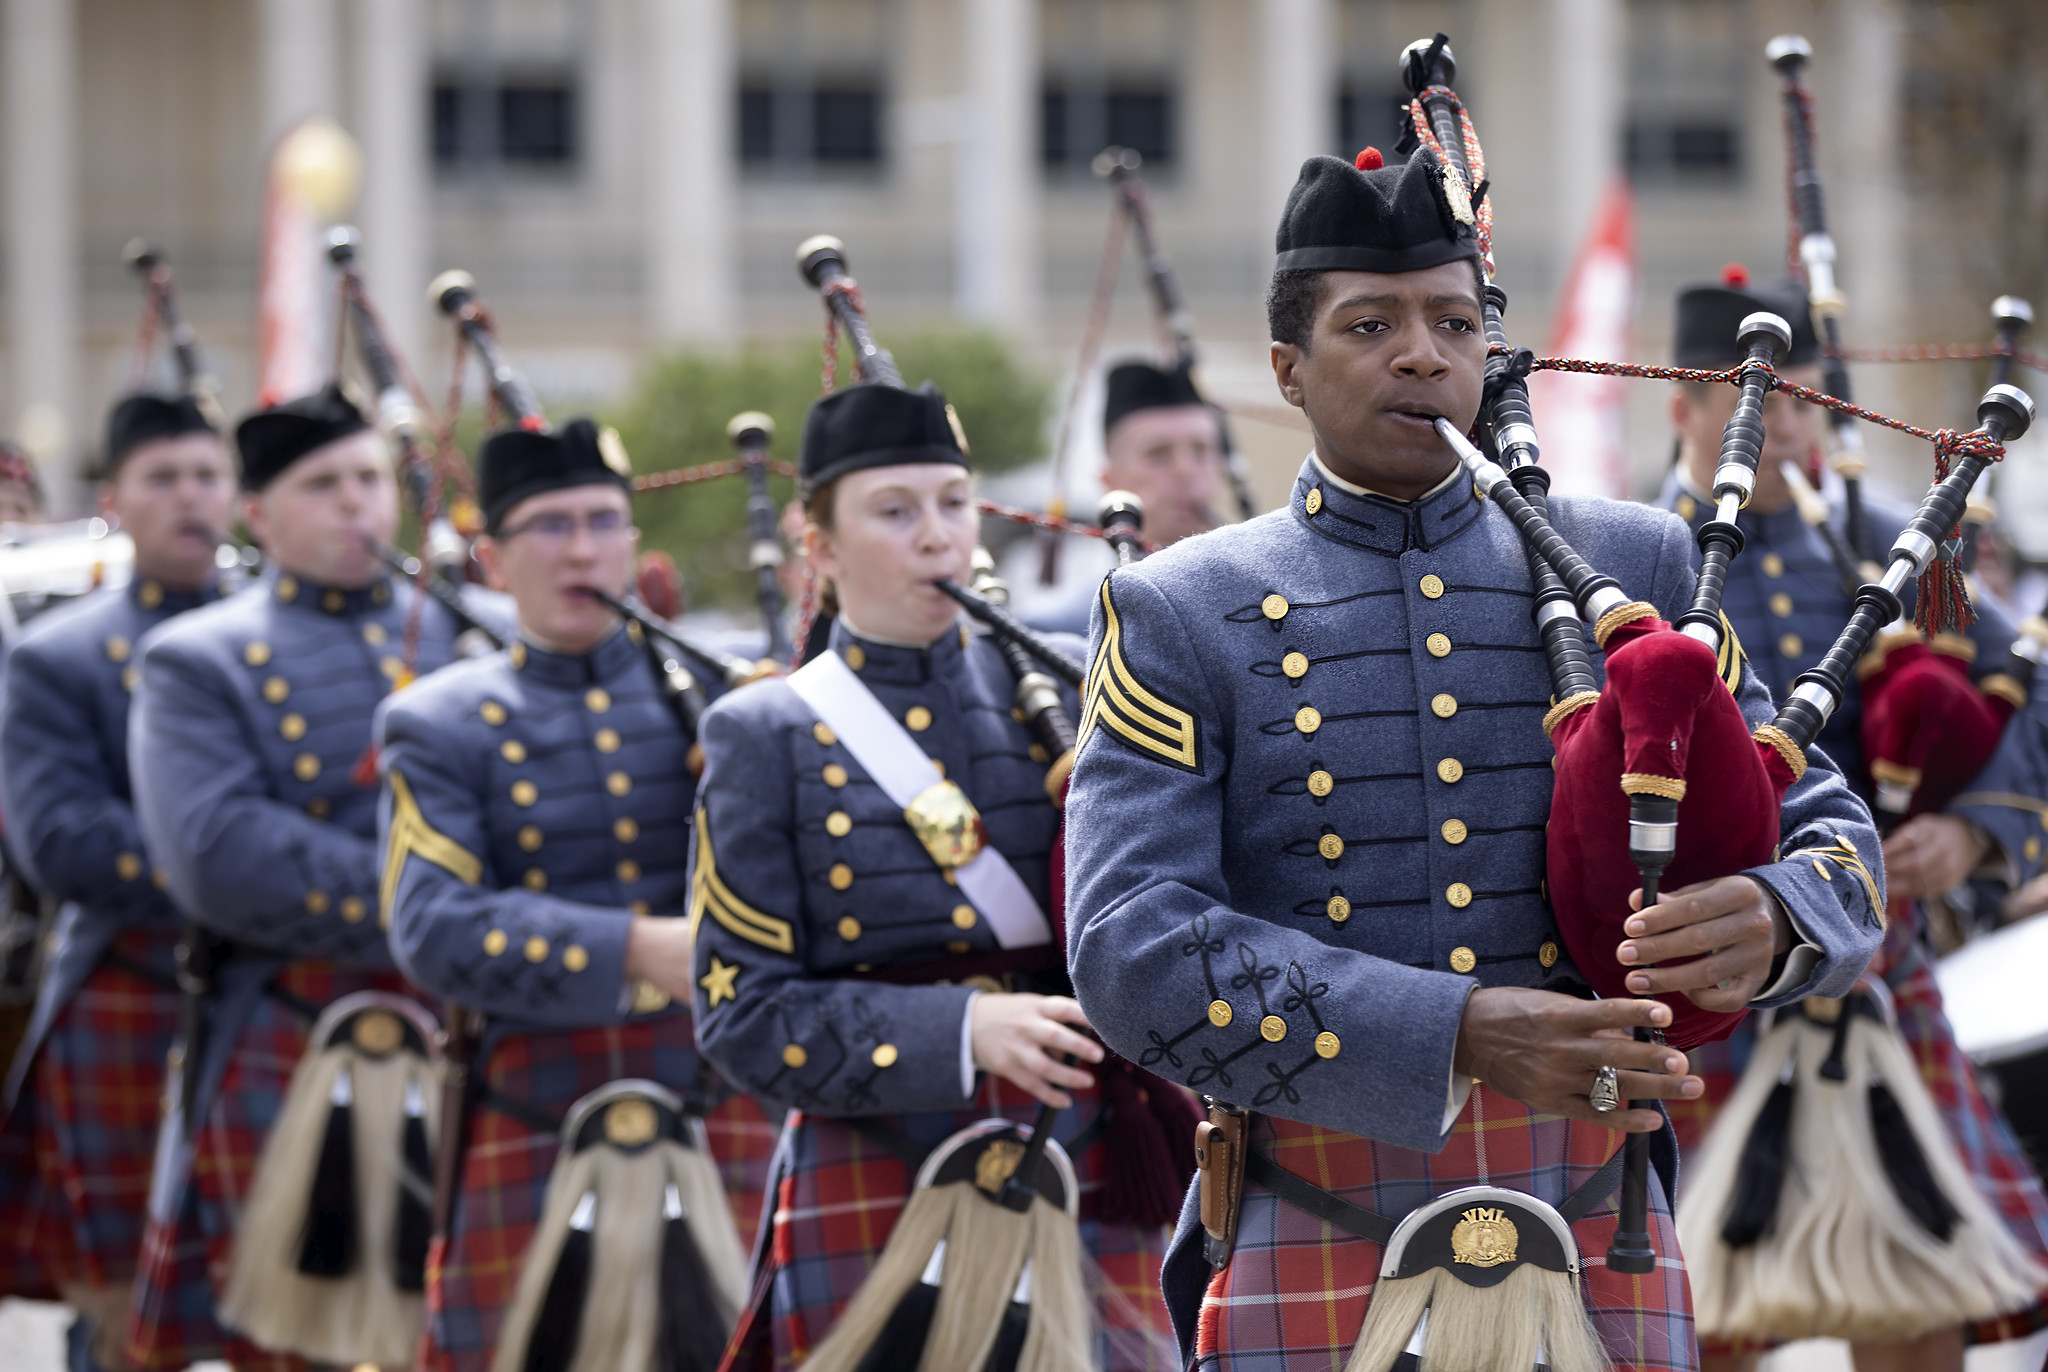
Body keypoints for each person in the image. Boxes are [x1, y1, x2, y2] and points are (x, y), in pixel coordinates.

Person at [1061, 147, 1886, 1370]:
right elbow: (1126, 946)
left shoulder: (1640, 561)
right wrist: (1454, 1031)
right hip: (1313, 1190)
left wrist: (1773, 913)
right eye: (1369, 322)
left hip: (1591, 1195)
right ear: (1285, 367)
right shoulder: (1176, 608)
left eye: (1453, 321)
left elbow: (1830, 830)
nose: (1419, 353)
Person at [691, 380, 1183, 1370]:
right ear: (816, 544)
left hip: (1083, 1145)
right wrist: (961, 1030)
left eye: (953, 503)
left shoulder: (1067, 678)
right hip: (877, 1162)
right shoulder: (764, 732)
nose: (936, 537)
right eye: (893, 510)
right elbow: (739, 1016)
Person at [1655, 271, 2048, 1371]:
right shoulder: (1646, 555)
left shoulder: (1904, 545)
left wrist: (1969, 833)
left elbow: (2017, 693)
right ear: (1684, 408)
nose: (1783, 424)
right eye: (1756, 401)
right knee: (1706, 1307)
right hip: (1706, 973)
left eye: (1801, 400)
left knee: (1916, 1286)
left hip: (1877, 955)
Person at [377, 417, 776, 1372]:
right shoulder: (437, 721)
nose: (586, 548)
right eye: (552, 526)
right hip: (535, 1090)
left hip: (720, 1086)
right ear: (494, 557)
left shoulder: (731, 693)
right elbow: (432, 930)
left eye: (605, 520)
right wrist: (639, 952)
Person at [122, 383, 505, 1371]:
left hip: (488, 1021)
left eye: (371, 478)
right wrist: (451, 911)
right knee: (307, 1347)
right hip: (302, 1023)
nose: (358, 504)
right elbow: (224, 860)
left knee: (489, 1320)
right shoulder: (195, 660)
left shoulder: (489, 633)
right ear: (259, 514)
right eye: (324, 484)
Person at [0, 393, 233, 1370]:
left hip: (272, 990)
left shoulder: (288, 642)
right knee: (126, 1310)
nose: (191, 499)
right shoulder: (57, 657)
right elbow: (59, 845)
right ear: (115, 501)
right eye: (163, 479)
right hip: (123, 989)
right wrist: (242, 867)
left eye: (208, 476)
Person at [1007, 358, 1229, 634]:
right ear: (1109, 481)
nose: (1185, 471)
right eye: (1158, 453)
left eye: (1201, 450)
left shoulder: (1264, 599)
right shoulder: (1060, 628)